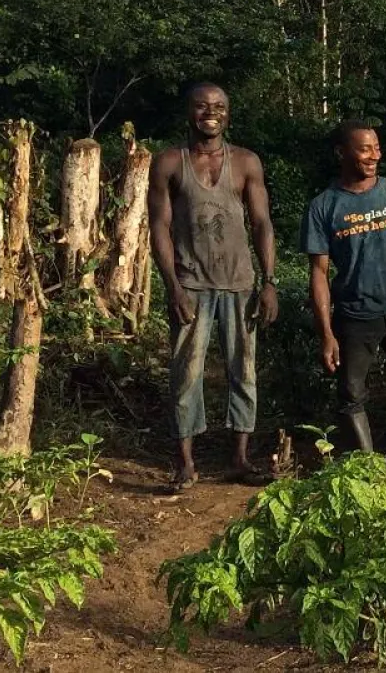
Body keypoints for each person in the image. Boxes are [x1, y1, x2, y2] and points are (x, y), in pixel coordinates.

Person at [149, 82, 279, 491]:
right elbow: (159, 227)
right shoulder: (170, 162)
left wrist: (269, 281)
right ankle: (185, 463)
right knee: (186, 373)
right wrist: (172, 286)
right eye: (202, 106)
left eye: (219, 106)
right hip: (190, 284)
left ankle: (239, 459)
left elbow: (261, 223)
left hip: (240, 283)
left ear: (228, 113)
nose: (211, 113)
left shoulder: (246, 162)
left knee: (244, 370)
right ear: (189, 112)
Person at [302, 120, 386, 457]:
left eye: (377, 148)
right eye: (365, 149)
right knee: (351, 396)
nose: (374, 155)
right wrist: (326, 334)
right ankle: (365, 471)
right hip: (355, 316)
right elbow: (319, 273)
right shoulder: (323, 206)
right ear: (342, 153)